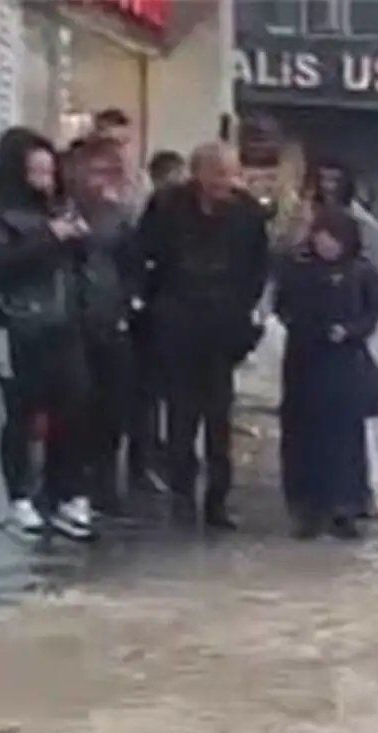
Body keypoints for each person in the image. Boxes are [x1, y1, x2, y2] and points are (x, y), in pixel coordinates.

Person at [137, 141, 271, 530]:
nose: (227, 185)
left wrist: (246, 317)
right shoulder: (167, 205)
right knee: (180, 416)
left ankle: (217, 500)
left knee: (219, 418)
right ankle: (181, 493)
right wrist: (151, 307)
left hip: (223, 327)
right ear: (199, 175)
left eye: (232, 175)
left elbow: (257, 268)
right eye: (218, 175)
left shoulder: (247, 213)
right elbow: (146, 256)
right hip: (177, 323)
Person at [0, 126, 98, 542]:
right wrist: (50, 237)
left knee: (75, 408)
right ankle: (19, 498)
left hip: (63, 324)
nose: (46, 181)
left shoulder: (61, 209)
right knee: (20, 413)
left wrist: (78, 238)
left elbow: (82, 263)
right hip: (15, 325)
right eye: (36, 172)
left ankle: (67, 494)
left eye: (50, 172)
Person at [272, 208, 378, 541]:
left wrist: (349, 331)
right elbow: (283, 305)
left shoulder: (361, 272)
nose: (325, 243)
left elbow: (373, 312)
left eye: (331, 237)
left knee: (343, 438)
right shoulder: (298, 269)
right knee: (304, 436)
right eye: (320, 235)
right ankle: (307, 507)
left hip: (343, 365)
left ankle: (345, 507)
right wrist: (299, 324)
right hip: (304, 361)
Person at [66, 134, 143, 516]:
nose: (102, 180)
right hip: (71, 318)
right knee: (76, 405)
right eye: (95, 170)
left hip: (111, 319)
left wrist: (128, 305)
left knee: (112, 409)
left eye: (110, 171)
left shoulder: (121, 217)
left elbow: (134, 266)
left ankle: (105, 482)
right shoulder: (63, 211)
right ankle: (74, 482)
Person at [125, 148, 190, 492]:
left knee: (153, 397)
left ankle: (150, 459)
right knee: (150, 397)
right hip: (154, 317)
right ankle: (147, 460)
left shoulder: (154, 207)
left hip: (156, 315)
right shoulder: (156, 209)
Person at [89, 108, 148, 204]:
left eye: (125, 140)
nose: (120, 149)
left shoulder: (139, 179)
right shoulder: (85, 175)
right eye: (112, 142)